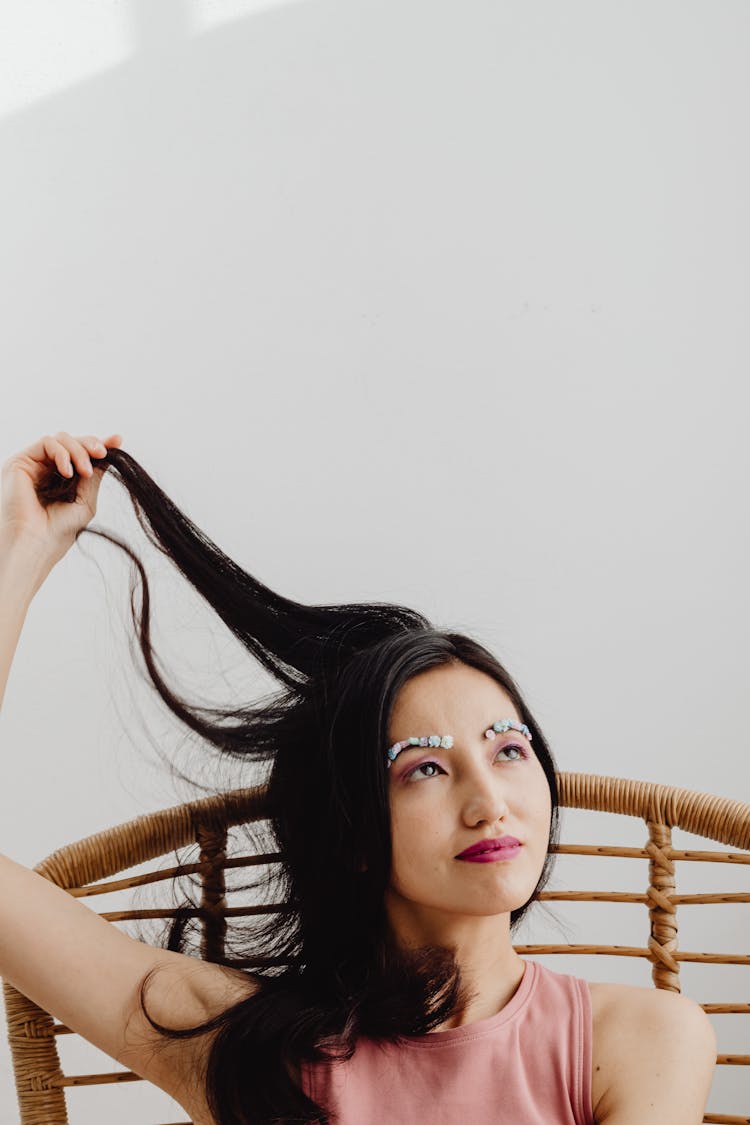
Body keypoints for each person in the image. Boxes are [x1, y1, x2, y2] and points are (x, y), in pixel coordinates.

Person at [0, 431, 717, 1125]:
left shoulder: (643, 1040)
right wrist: (20, 550)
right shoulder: (252, 1053)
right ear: (352, 830)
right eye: (426, 766)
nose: (489, 802)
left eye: (507, 749)